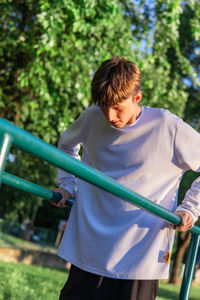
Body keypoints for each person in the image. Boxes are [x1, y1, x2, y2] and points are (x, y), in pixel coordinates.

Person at [53, 56, 200, 300]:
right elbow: (67, 146)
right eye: (103, 106)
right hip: (90, 248)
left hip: (140, 257)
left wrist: (191, 208)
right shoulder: (92, 118)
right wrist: (69, 185)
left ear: (137, 98)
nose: (110, 116)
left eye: (118, 107)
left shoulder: (167, 127)